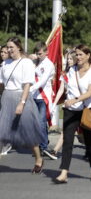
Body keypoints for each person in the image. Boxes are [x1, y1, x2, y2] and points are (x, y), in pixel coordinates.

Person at [54, 44, 91, 183]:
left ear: (88, 55)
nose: (78, 57)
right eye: (77, 54)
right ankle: (64, 172)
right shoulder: (71, 70)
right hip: (71, 110)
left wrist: (75, 99)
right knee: (68, 140)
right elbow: (65, 87)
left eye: (81, 54)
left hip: (88, 109)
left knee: (90, 142)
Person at [0, 37, 44, 173]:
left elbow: (27, 85)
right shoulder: (4, 64)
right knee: (1, 132)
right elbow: (1, 84)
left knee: (28, 132)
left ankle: (38, 159)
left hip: (22, 98)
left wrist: (22, 103)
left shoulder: (26, 63)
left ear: (19, 47)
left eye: (11, 47)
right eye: (7, 47)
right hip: (7, 98)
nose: (9, 50)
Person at [49, 50, 77, 159]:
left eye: (70, 58)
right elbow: (61, 90)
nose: (68, 61)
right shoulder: (65, 74)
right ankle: (55, 150)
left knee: (85, 133)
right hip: (69, 105)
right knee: (66, 129)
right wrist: (54, 103)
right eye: (67, 58)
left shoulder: (80, 72)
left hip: (81, 105)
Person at [30, 42, 55, 159]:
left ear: (46, 52)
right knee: (38, 123)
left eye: (40, 53)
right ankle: (43, 143)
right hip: (35, 96)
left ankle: (44, 147)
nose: (38, 55)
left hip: (44, 97)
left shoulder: (49, 65)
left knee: (41, 123)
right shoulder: (36, 63)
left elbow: (42, 81)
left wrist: (30, 89)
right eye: (37, 53)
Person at [0, 45, 12, 156]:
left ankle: (7, 143)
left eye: (4, 52)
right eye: (1, 52)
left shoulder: (11, 64)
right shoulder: (2, 64)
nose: (2, 54)